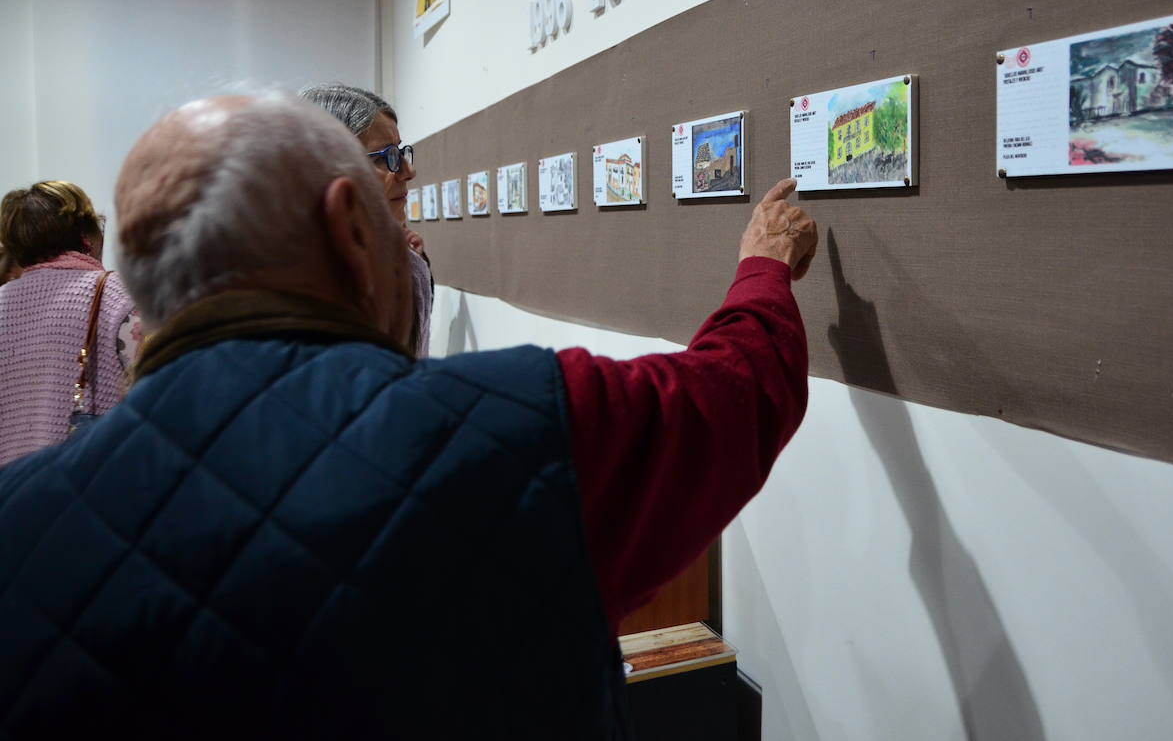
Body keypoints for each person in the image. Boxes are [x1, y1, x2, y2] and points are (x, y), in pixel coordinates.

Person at [0, 92, 817, 739]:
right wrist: (764, 268)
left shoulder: (18, 521)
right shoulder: (523, 426)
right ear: (350, 228)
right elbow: (735, 396)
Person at [0, 181, 141, 467]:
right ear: (86, 236)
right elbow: (160, 390)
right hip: (88, 485)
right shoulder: (119, 295)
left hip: (12, 494)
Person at [299, 83, 434, 356]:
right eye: (387, 157)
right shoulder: (291, 280)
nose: (409, 171)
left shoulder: (401, 264)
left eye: (399, 151)